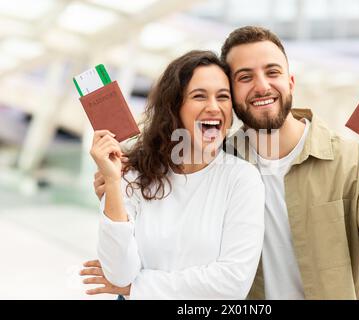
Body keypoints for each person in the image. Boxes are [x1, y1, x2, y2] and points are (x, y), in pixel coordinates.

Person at [88, 26, 359, 300]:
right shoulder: (217, 159)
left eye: (272, 72)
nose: (262, 86)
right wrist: (116, 188)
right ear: (233, 94)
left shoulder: (348, 159)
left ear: (290, 82)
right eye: (245, 77)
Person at [80, 50, 265, 299]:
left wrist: (137, 288)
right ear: (174, 108)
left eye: (223, 97)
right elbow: (119, 275)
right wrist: (113, 184)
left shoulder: (242, 179)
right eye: (199, 96)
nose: (213, 107)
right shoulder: (131, 173)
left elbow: (232, 285)